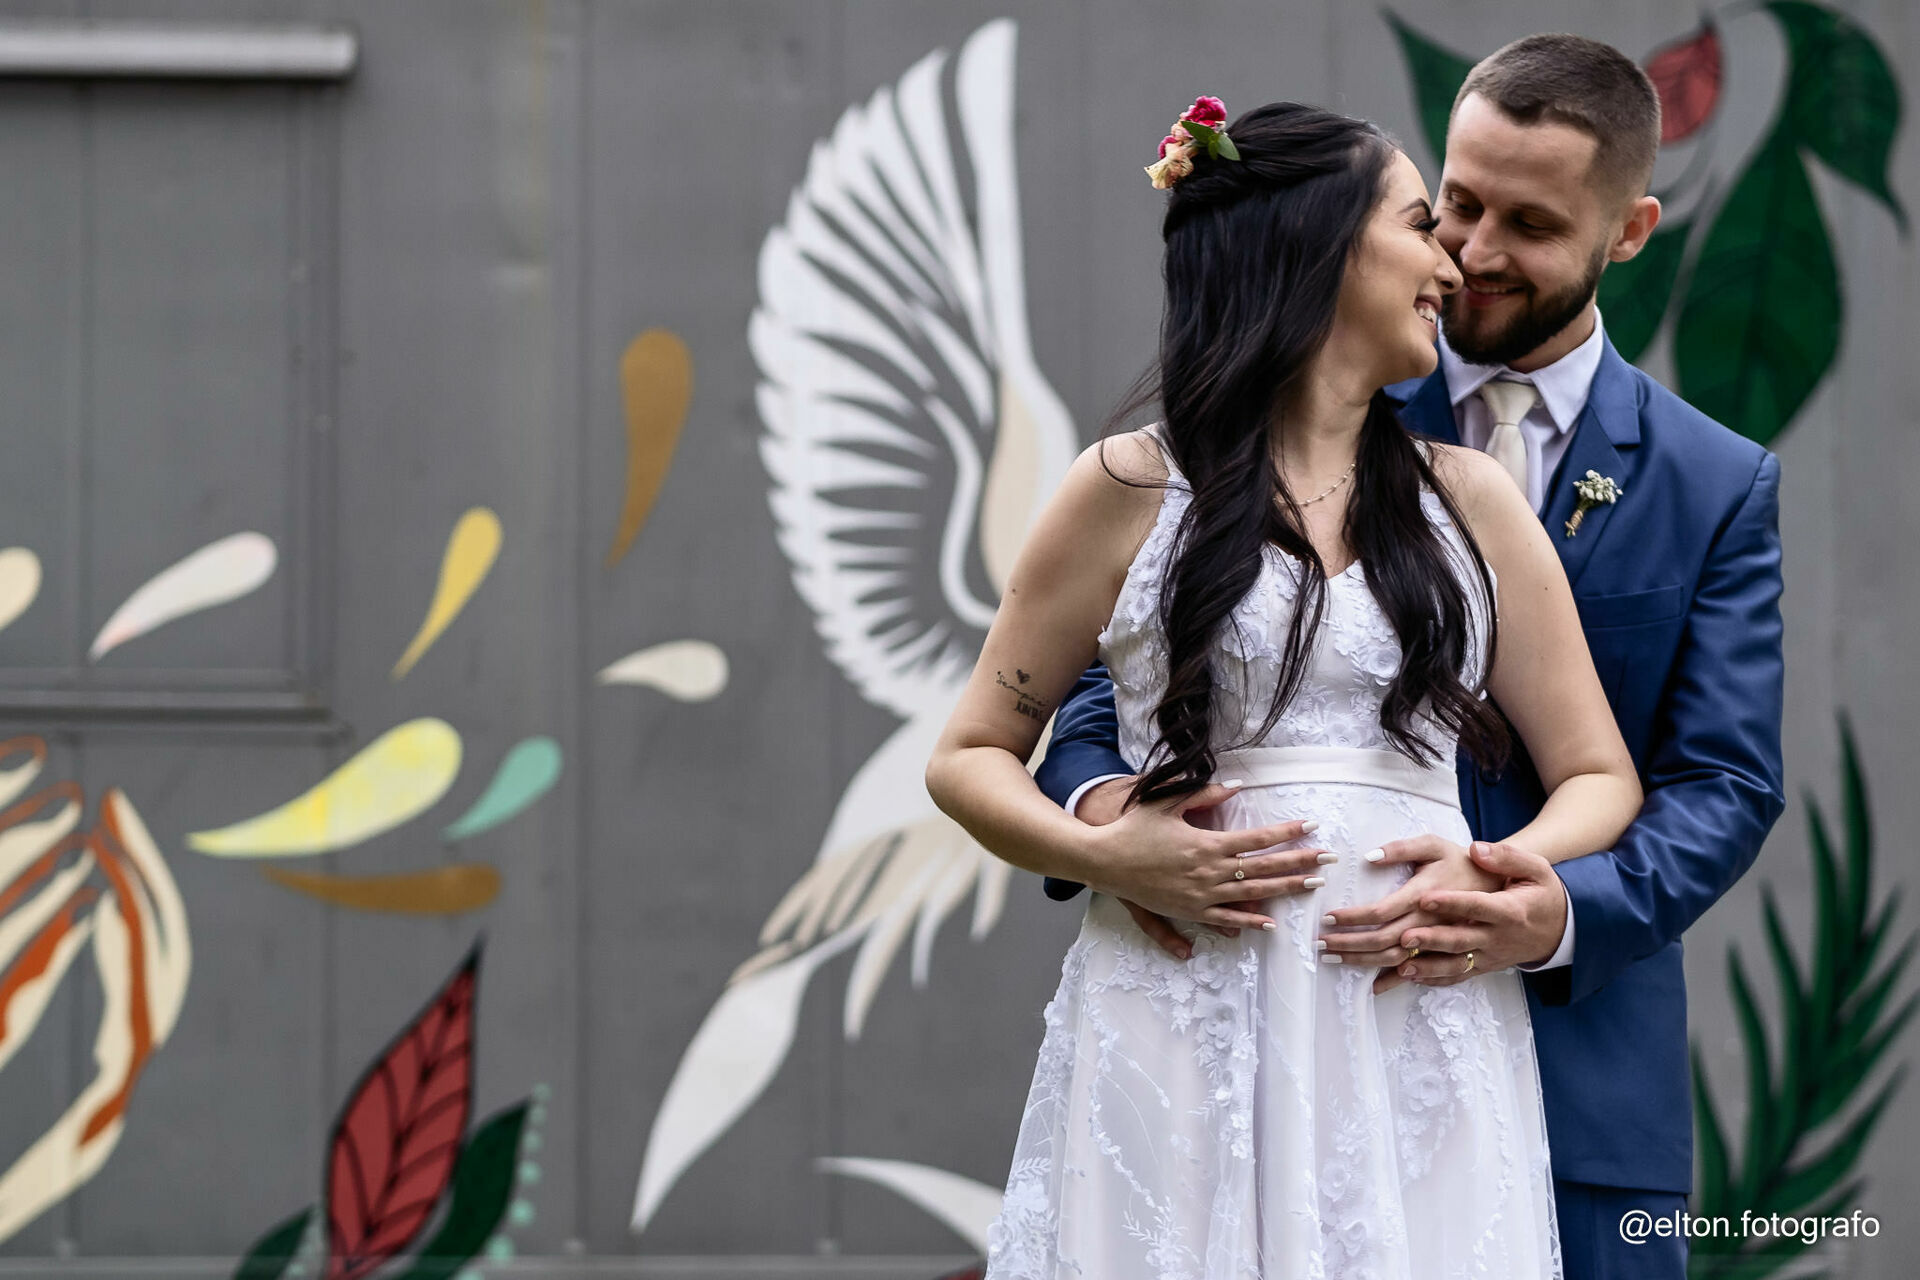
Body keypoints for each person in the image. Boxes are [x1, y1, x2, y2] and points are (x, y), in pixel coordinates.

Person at [1031, 35, 1785, 1280]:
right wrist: (1110, 808)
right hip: (1259, 1032)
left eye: (1531, 224)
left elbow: (1725, 782)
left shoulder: (1715, 482)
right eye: (1460, 202)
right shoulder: (1328, 376)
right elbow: (1112, 671)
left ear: (1631, 229)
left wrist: (1544, 909)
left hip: (1584, 1078)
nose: (1475, 251)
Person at [925, 88, 1646, 1274]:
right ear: (1315, 245)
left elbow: (1598, 775)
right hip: (1180, 1010)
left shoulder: (1471, 500)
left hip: (1415, 1017)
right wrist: (1102, 849)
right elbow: (968, 755)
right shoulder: (1127, 485)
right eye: (1420, 224)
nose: (1450, 261)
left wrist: (1496, 868)